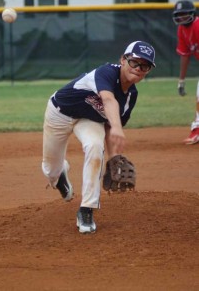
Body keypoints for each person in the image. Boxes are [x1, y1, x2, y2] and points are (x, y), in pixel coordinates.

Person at [42, 40, 156, 234]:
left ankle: (87, 209)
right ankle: (59, 175)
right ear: (123, 60)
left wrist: (112, 158)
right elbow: (108, 99)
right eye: (134, 62)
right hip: (59, 113)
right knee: (50, 170)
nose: (138, 68)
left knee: (95, 147)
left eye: (144, 65)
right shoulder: (106, 72)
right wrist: (119, 127)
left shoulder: (131, 96)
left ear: (148, 71)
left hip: (89, 120)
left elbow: (110, 128)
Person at [172, 0, 199, 145]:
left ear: (191, 13)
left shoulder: (198, 25)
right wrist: (181, 81)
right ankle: (197, 130)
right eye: (179, 14)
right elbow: (185, 54)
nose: (181, 17)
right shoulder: (182, 29)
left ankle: (197, 130)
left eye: (184, 13)